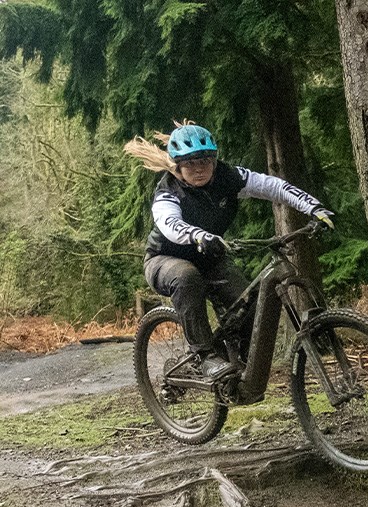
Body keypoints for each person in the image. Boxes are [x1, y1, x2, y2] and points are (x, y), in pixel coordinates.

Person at [126, 122, 334, 381]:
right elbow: (170, 224)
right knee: (186, 276)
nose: (199, 168)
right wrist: (197, 235)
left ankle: (240, 366)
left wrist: (314, 208)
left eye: (205, 161)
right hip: (165, 259)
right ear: (178, 167)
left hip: (210, 257)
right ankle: (204, 357)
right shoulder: (168, 191)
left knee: (250, 304)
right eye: (190, 163)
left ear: (214, 161)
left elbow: (273, 186)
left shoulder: (229, 177)